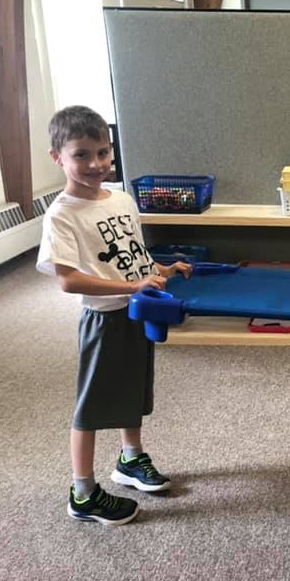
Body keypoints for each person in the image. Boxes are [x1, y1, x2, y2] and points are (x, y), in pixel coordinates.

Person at [37, 105, 192, 526]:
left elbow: (133, 256)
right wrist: (130, 288)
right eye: (81, 155)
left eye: (103, 153)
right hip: (104, 318)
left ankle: (130, 459)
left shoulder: (121, 199)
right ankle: (83, 493)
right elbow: (69, 280)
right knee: (90, 408)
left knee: (132, 393)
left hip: (137, 311)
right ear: (58, 157)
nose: (95, 164)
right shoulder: (62, 215)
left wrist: (163, 270)